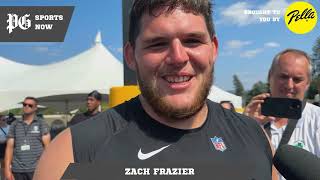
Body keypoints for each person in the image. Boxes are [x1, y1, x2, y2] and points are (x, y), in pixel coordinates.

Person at [34, 1, 274, 179]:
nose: (178, 57)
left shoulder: (255, 137)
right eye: (158, 43)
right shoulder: (74, 150)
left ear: (213, 48)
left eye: (192, 41)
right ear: (130, 55)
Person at [244, 49, 320, 180]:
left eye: (297, 79)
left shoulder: (317, 120)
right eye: (283, 76)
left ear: (308, 83)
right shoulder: (248, 118)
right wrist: (243, 127)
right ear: (269, 76)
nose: (289, 85)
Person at [4, 97, 50, 180]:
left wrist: (48, 167)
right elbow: (9, 148)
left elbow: (48, 148)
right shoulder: (14, 124)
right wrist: (7, 169)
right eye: (24, 104)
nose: (26, 106)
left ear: (35, 108)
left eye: (30, 105)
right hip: (17, 169)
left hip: (36, 169)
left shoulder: (41, 124)